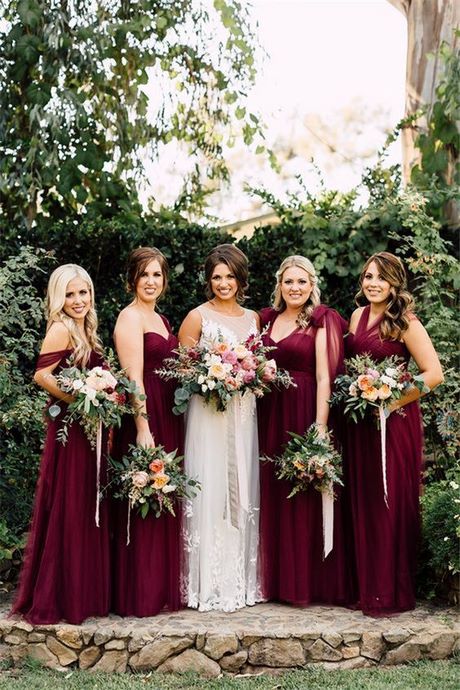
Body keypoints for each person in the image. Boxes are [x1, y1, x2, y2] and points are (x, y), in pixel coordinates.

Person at [345, 251, 443, 616]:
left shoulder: (405, 322)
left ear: (395, 284)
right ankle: (366, 585)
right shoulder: (357, 316)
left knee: (389, 500)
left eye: (381, 278)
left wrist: (389, 400)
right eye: (368, 276)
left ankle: (390, 591)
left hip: (393, 421)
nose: (372, 283)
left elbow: (433, 374)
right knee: (365, 499)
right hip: (360, 424)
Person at [11, 264, 110, 624]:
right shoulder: (60, 329)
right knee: (69, 506)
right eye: (69, 294)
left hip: (86, 429)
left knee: (84, 505)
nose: (78, 300)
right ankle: (62, 597)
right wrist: (82, 397)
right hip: (69, 429)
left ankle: (83, 592)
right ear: (58, 298)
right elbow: (41, 375)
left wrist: (103, 394)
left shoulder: (86, 329)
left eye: (83, 292)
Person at [258, 255, 356, 606]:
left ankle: (307, 584)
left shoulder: (321, 319)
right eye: (289, 282)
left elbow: (324, 376)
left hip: (304, 411)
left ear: (312, 285)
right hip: (269, 413)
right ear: (279, 285)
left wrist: (320, 426)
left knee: (303, 492)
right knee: (274, 493)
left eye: (302, 282)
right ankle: (277, 582)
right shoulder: (266, 319)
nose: (295, 288)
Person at [178, 244, 262, 611]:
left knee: (241, 486)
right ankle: (207, 584)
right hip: (209, 412)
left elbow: (256, 361)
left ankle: (237, 583)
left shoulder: (253, 318)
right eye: (216, 277)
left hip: (242, 413)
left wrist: (249, 374)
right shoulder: (197, 317)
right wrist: (216, 375)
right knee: (210, 486)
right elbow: (182, 370)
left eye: (229, 276)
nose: (223, 283)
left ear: (240, 278)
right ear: (208, 280)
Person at [111, 247, 184, 616]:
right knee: (145, 499)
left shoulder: (163, 320)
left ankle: (161, 590)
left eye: (157, 275)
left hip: (168, 414)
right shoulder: (130, 318)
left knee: (164, 498)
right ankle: (140, 594)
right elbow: (133, 378)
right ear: (132, 280)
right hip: (146, 414)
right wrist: (142, 426)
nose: (152, 282)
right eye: (145, 275)